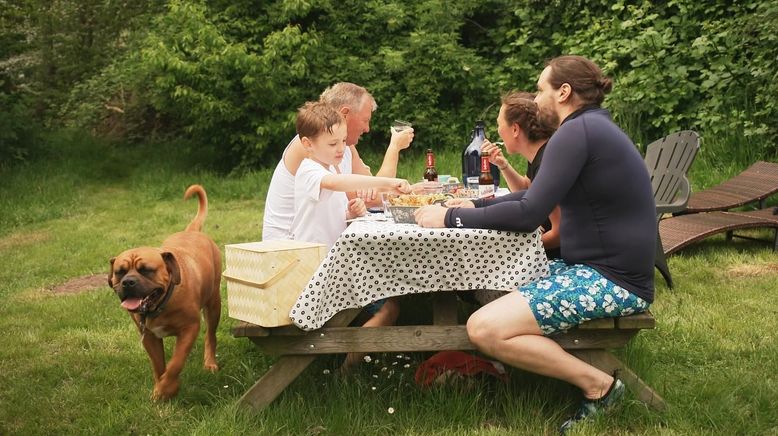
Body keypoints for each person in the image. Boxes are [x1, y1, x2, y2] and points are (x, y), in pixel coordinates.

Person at [414, 55, 656, 432]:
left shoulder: (577, 133)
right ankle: (504, 366)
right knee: (489, 280)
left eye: (542, 87)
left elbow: (529, 212)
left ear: (564, 92)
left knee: (484, 328)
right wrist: (474, 204)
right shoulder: (587, 129)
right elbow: (534, 198)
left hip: (611, 281)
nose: (536, 96)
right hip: (596, 269)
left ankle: (601, 387)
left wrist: (449, 218)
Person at [292, 100, 411, 370]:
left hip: (333, 265)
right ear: (308, 144)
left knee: (390, 292)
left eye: (343, 141)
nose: (341, 149)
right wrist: (388, 183)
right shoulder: (310, 171)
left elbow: (328, 209)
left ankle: (350, 363)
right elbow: (336, 184)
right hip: (315, 272)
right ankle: (349, 370)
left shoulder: (328, 168)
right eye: (332, 144)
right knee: (388, 308)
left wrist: (351, 212)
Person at [263, 82, 414, 241]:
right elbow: (358, 191)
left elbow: (373, 191)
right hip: (290, 250)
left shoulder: (340, 147)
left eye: (342, 141)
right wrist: (394, 148)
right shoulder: (312, 148)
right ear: (345, 113)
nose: (367, 128)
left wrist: (352, 212)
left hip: (325, 247)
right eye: (365, 120)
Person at [480, 91, 562, 258]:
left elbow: (560, 234)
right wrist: (504, 165)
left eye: (499, 124)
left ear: (515, 129)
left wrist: (513, 251)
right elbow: (527, 189)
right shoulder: (540, 154)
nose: (498, 131)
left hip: (564, 258)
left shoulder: (548, 160)